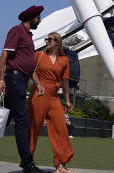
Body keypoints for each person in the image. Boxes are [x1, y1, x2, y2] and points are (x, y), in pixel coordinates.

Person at [0, 5, 45, 173]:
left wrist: (38, 83)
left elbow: (28, 66)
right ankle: (27, 165)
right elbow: (5, 55)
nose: (40, 20)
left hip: (20, 80)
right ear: (32, 17)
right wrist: (1, 79)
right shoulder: (17, 31)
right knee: (22, 122)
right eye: (39, 17)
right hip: (13, 80)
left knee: (0, 124)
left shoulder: (27, 36)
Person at [28, 32, 75, 173]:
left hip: (54, 97)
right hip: (39, 93)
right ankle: (27, 163)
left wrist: (67, 100)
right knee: (33, 128)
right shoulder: (39, 55)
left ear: (57, 42)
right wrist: (38, 83)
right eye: (46, 39)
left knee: (60, 128)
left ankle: (60, 165)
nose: (47, 41)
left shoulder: (64, 60)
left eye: (50, 39)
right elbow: (32, 71)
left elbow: (65, 81)